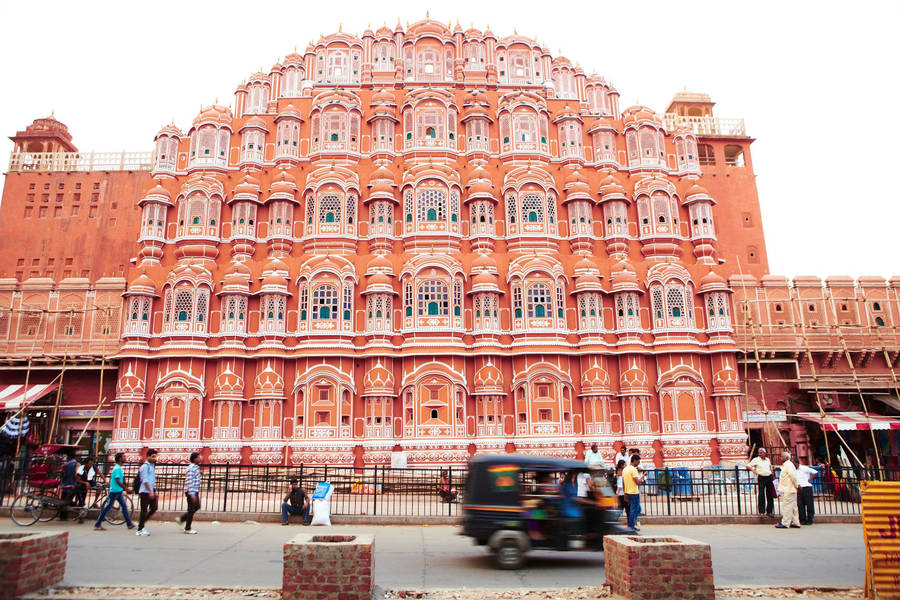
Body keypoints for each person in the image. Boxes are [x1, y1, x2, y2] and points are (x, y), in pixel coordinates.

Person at [94, 452, 134, 531]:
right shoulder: (117, 468)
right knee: (108, 507)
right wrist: (126, 488)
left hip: (118, 491)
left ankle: (129, 524)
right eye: (124, 457)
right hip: (115, 491)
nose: (125, 458)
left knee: (124, 507)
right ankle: (97, 524)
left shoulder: (118, 468)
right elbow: (118, 481)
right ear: (120, 459)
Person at [176, 452, 202, 534]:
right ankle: (187, 528)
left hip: (194, 490)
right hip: (192, 491)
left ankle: (182, 519)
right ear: (195, 459)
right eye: (199, 457)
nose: (200, 458)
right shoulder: (191, 468)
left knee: (196, 506)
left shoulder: (195, 468)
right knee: (192, 509)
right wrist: (192, 494)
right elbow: (190, 481)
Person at [746, 448, 774, 518]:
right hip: (761, 477)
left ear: (765, 453)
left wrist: (771, 471)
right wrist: (753, 470)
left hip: (769, 477)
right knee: (761, 494)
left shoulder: (767, 459)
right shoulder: (756, 459)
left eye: (761, 453)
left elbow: (770, 466)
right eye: (759, 453)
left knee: (770, 494)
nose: (760, 454)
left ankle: (769, 511)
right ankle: (762, 512)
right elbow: (748, 465)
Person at [136, 449, 158, 536]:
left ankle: (141, 523)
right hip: (145, 491)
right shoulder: (145, 466)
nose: (154, 458)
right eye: (153, 456)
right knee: (144, 510)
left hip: (150, 490)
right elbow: (145, 480)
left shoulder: (152, 466)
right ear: (148, 456)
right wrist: (150, 491)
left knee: (154, 507)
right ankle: (140, 529)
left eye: (155, 456)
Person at [776, 451, 800, 529]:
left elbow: (793, 476)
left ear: (786, 458)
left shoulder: (788, 465)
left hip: (788, 489)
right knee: (793, 507)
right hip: (789, 489)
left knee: (786, 506)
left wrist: (797, 484)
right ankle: (795, 522)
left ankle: (785, 523)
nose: (780, 458)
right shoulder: (786, 465)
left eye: (782, 456)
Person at [622, 454, 646, 532]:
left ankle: (631, 525)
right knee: (635, 509)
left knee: (636, 509)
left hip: (628, 491)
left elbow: (623, 482)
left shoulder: (625, 469)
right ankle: (631, 526)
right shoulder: (633, 470)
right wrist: (643, 476)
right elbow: (637, 482)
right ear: (635, 461)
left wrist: (625, 493)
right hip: (634, 492)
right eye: (638, 461)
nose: (638, 463)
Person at [796, 456, 818, 526]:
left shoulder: (804, 468)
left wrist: (810, 479)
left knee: (809, 504)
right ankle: (802, 519)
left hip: (807, 487)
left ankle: (810, 519)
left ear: (797, 463)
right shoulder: (793, 470)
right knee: (800, 504)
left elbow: (815, 472)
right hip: (799, 488)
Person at [58, 449, 78, 522]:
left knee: (64, 500)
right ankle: (64, 516)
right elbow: (76, 474)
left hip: (66, 484)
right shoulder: (76, 464)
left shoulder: (66, 464)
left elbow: (62, 473)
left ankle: (63, 516)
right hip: (72, 484)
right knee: (66, 501)